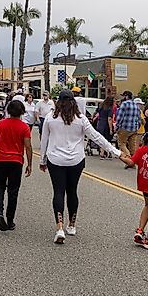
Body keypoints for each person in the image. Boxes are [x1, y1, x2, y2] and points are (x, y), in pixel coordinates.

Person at [40, 90, 127, 244]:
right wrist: (116, 152)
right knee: (72, 191)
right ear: (74, 102)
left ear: (58, 102)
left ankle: (59, 227)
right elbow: (96, 137)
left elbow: (44, 141)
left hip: (56, 160)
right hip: (76, 160)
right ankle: (71, 225)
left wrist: (42, 160)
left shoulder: (50, 118)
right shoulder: (81, 119)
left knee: (58, 191)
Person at [0, 99, 32, 231]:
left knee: (0, 187)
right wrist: (29, 164)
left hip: (1, 159)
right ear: (22, 112)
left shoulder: (1, 124)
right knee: (13, 191)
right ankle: (10, 219)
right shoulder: (24, 127)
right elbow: (28, 146)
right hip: (16, 161)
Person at [115, 91, 141, 162]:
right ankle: (134, 160)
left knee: (122, 144)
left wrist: (117, 126)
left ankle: (128, 159)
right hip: (134, 128)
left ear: (126, 96)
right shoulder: (136, 105)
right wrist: (137, 127)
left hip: (125, 127)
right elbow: (139, 119)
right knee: (132, 146)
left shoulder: (124, 104)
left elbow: (120, 117)